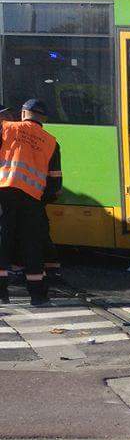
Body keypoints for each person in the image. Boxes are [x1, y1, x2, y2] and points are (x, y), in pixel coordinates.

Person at [0, 99, 62, 306]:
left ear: (23, 113)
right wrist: (41, 201)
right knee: (32, 246)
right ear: (43, 118)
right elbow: (55, 181)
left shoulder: (7, 128)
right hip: (32, 200)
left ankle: (2, 294)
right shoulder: (51, 142)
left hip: (4, 193)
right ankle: (38, 296)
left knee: (3, 241)